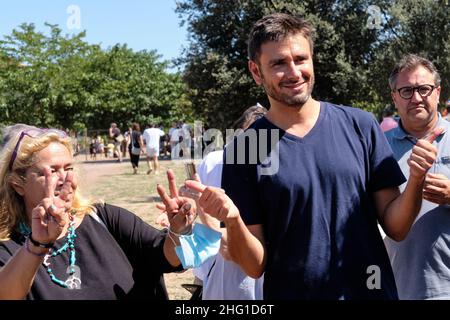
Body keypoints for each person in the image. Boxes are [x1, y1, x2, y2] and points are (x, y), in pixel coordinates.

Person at [186, 13, 439, 300]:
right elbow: (254, 266)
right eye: (279, 63)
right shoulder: (247, 147)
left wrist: (416, 179)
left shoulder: (359, 125)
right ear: (256, 72)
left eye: (301, 59)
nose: (294, 72)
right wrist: (233, 220)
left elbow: (397, 227)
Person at [0, 124, 198, 299]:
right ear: (18, 185)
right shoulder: (9, 247)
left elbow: (168, 257)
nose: (64, 179)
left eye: (68, 168)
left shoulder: (104, 219)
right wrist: (37, 244)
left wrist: (179, 231)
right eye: (51, 171)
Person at [383, 54, 450, 299]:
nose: (417, 98)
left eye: (424, 89)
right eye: (407, 91)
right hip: (397, 288)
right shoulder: (378, 148)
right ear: (394, 97)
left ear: (438, 92)